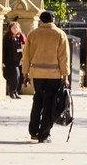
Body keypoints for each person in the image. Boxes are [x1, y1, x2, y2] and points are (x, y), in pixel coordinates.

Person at [26, 11, 71, 143]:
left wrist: (25, 73)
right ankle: (44, 134)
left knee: (38, 100)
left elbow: (26, 55)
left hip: (37, 73)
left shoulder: (33, 34)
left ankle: (33, 131)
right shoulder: (60, 34)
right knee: (49, 103)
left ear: (41, 20)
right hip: (54, 74)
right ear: (53, 19)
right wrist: (65, 76)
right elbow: (64, 57)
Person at [3, 21, 26, 98]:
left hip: (18, 61)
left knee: (19, 77)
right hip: (10, 61)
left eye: (17, 28)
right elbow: (4, 50)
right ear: (10, 29)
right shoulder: (7, 38)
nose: (15, 29)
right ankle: (11, 91)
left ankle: (16, 92)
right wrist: (3, 61)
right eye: (14, 28)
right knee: (15, 76)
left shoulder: (19, 38)